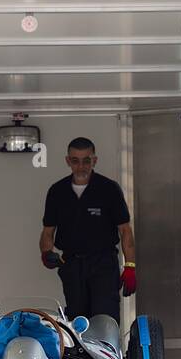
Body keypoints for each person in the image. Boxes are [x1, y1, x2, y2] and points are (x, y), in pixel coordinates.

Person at [39, 137, 136, 323]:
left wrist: (130, 266)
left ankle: (107, 351)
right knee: (78, 319)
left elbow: (125, 230)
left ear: (94, 160)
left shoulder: (108, 189)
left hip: (103, 264)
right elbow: (47, 232)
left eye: (86, 161)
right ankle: (80, 353)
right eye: (75, 161)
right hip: (72, 264)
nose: (81, 166)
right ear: (68, 161)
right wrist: (46, 253)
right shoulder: (57, 191)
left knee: (105, 317)